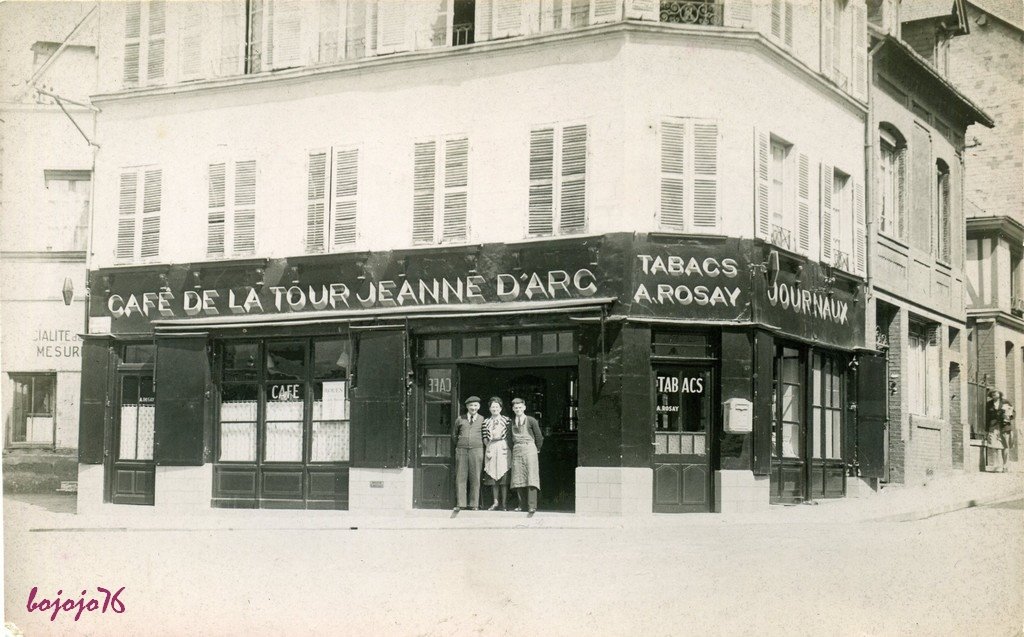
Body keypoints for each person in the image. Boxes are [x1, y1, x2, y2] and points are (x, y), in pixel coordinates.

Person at [509, 397, 543, 514]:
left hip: (530, 449)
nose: (518, 409)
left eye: (520, 407)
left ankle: (531, 506)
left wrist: (537, 449)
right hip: (517, 449)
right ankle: (521, 505)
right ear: (513, 409)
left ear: (524, 408)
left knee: (531, 477)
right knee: (518, 477)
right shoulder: (511, 422)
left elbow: (539, 437)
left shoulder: (531, 420)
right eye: (516, 408)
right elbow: (509, 439)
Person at [451, 396, 485, 511]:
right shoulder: (460, 419)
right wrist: (461, 445)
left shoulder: (482, 419)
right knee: (461, 476)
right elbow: (454, 435)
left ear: (479, 407)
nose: (473, 408)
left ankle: (474, 504)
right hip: (462, 450)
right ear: (467, 406)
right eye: (471, 405)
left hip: (477, 450)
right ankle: (461, 504)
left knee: (475, 476)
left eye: (475, 405)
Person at [482, 397, 512, 511]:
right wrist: (488, 447)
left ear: (500, 408)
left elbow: (509, 435)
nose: (495, 409)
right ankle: (495, 502)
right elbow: (484, 437)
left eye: (497, 406)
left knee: (503, 477)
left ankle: (504, 503)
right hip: (491, 447)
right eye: (492, 407)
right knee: (493, 477)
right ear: (490, 409)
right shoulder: (486, 422)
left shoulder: (507, 420)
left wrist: (506, 447)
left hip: (503, 447)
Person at [985, 389, 1014, 472]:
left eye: (996, 393)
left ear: (1000, 394)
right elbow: (987, 417)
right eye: (992, 393)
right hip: (993, 426)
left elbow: (1013, 413)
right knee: (994, 446)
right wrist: (987, 429)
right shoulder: (989, 404)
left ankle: (1005, 466)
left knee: (1005, 446)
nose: (994, 394)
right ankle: (998, 466)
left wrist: (1009, 417)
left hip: (1004, 426)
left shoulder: (1005, 402)